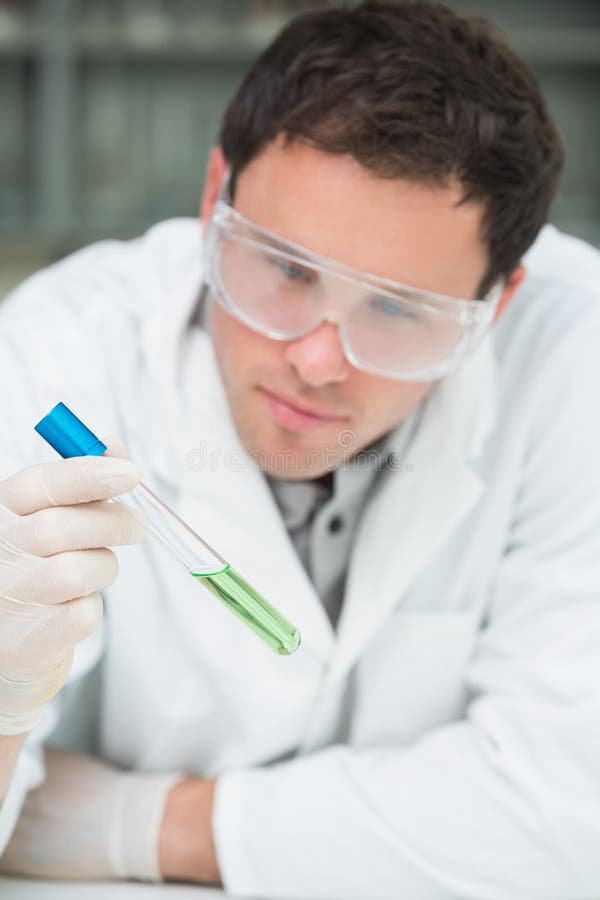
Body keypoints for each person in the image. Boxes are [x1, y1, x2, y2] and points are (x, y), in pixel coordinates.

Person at [1, 2, 599, 897]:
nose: (318, 362)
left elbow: (568, 814)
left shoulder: (574, 347)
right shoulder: (53, 354)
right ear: (215, 202)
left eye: (398, 311)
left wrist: (126, 823)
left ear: (497, 304)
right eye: (284, 269)